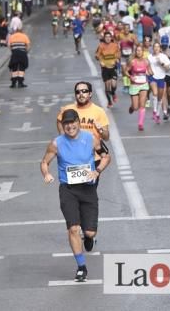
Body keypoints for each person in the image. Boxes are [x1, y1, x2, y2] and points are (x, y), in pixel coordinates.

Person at [40, 108, 111, 282]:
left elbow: (106, 156)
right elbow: (44, 162)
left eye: (72, 122)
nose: (70, 126)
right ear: (62, 125)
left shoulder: (90, 138)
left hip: (88, 189)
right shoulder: (56, 143)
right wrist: (46, 174)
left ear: (78, 122)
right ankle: (81, 267)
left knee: (90, 232)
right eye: (66, 123)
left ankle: (88, 238)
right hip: (68, 189)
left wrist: (98, 171)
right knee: (73, 228)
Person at [125, 44, 152, 131]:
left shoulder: (146, 61)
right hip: (134, 85)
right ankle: (132, 107)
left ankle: (140, 124)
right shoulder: (132, 62)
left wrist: (150, 73)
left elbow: (150, 71)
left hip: (144, 84)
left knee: (142, 104)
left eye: (140, 50)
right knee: (136, 107)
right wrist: (130, 77)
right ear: (135, 52)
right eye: (137, 50)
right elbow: (125, 71)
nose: (139, 52)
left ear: (143, 52)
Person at [95, 31, 120, 108]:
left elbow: (118, 54)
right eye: (106, 37)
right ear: (104, 38)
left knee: (114, 85)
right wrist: (100, 61)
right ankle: (109, 102)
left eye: (109, 37)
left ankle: (113, 93)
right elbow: (97, 55)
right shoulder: (101, 46)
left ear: (111, 38)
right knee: (107, 86)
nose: (108, 38)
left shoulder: (115, 45)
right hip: (105, 68)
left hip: (113, 67)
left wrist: (117, 59)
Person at [148, 40, 170, 123]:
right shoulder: (149, 57)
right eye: (155, 47)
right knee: (155, 93)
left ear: (160, 48)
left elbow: (168, 68)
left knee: (160, 98)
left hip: (161, 78)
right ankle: (154, 111)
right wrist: (148, 72)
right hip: (152, 77)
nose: (156, 48)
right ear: (153, 48)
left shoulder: (163, 56)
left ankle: (158, 114)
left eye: (158, 47)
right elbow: (147, 66)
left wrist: (161, 63)